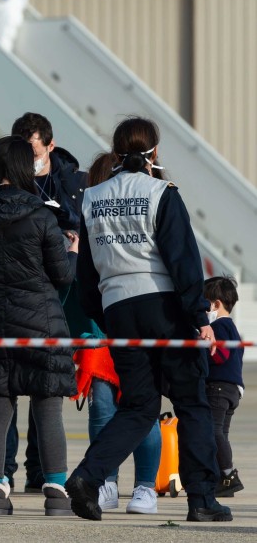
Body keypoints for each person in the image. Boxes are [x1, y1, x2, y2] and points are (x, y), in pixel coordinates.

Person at [67, 117, 231, 523]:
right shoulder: (162, 193)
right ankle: (202, 499)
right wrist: (198, 315)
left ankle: (88, 477)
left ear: (116, 151)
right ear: (155, 152)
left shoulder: (92, 197)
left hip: (118, 309)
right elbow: (182, 260)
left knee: (138, 406)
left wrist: (100, 312)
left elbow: (85, 271)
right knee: (192, 403)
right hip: (163, 306)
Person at [0, 135, 77, 516]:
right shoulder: (42, 215)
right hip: (40, 322)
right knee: (47, 407)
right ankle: (56, 491)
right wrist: (71, 250)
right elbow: (61, 276)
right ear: (26, 168)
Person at [72, 152, 161, 515]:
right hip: (102, 324)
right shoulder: (94, 213)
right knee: (104, 409)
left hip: (131, 317)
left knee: (142, 408)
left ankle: (145, 486)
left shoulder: (150, 201)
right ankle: (105, 481)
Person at [6, 112, 89, 491]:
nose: (29, 158)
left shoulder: (74, 182)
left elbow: (84, 228)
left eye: (34, 151)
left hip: (60, 290)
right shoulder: (6, 181)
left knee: (46, 386)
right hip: (17, 288)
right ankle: (2, 471)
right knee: (5, 387)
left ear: (50, 146)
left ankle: (39, 473)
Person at [204, 276, 245, 498]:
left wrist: (201, 348)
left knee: (213, 430)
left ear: (215, 303)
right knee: (222, 433)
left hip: (218, 387)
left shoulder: (218, 326)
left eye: (204, 303)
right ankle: (223, 478)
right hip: (234, 389)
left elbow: (220, 355)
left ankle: (228, 474)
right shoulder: (232, 328)